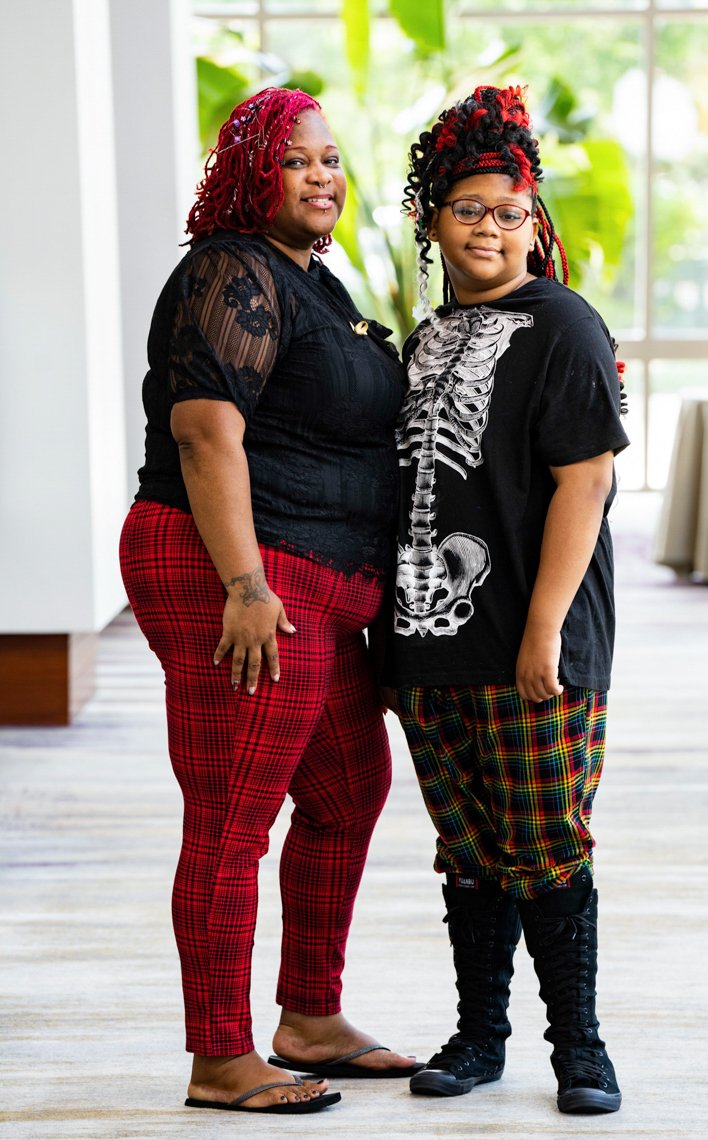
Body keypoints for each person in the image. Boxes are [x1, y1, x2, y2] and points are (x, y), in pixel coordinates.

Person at [119, 86, 421, 1116]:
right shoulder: (231, 269)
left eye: (331, 159)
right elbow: (205, 432)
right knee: (232, 817)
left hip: (317, 582)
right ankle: (219, 1057)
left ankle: (310, 1018)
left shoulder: (312, 283)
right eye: (298, 160)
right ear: (253, 172)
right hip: (241, 573)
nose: (322, 176)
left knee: (346, 792)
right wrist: (243, 584)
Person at [387, 85, 630, 1114]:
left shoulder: (565, 325)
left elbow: (586, 482)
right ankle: (479, 1036)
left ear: (534, 222)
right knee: (468, 853)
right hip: (431, 639)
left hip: (534, 640)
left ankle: (580, 1049)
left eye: (508, 211)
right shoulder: (426, 336)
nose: (488, 228)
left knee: (545, 845)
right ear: (432, 221)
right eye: (467, 210)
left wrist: (542, 632)